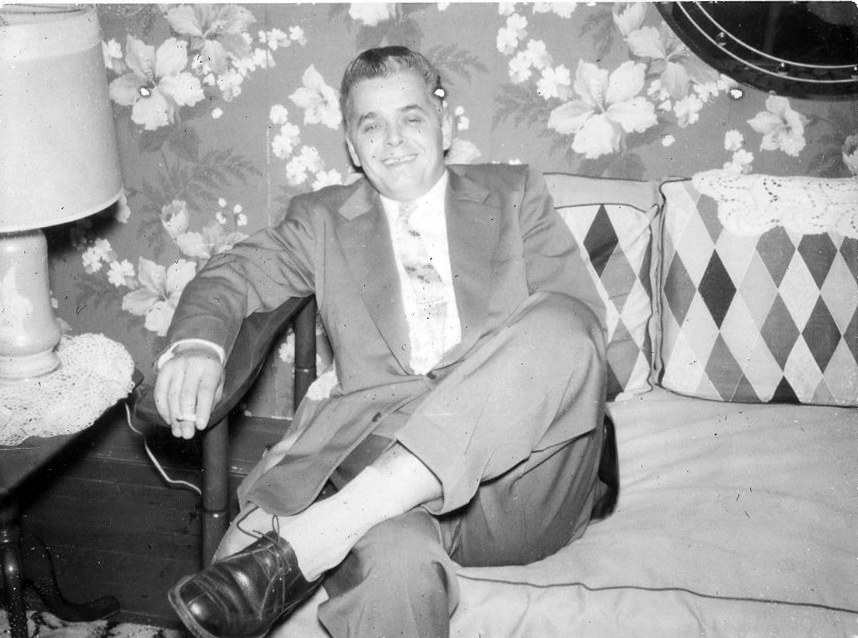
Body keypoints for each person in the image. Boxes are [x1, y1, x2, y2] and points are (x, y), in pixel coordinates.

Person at [154, 45, 617, 638]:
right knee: (393, 566)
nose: (393, 140)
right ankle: (350, 522)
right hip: (386, 479)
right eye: (371, 126)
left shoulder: (514, 193)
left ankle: (319, 534)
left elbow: (582, 338)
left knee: (564, 321)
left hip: (524, 487)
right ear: (352, 145)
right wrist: (198, 346)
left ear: (446, 125)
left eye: (411, 118)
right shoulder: (320, 220)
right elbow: (234, 273)